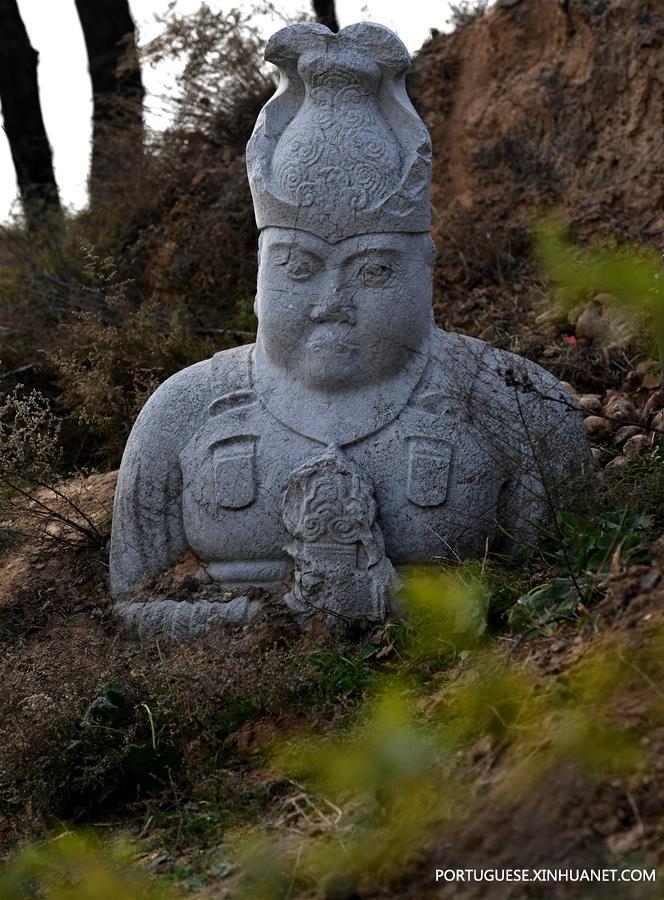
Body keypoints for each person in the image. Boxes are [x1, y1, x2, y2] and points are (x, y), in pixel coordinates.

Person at [110, 22, 590, 639]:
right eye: (297, 267)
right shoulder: (184, 412)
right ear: (260, 270)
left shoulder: (521, 406)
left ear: (426, 269)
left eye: (373, 269)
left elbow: (567, 598)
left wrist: (400, 613)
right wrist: (259, 625)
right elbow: (126, 611)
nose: (332, 302)